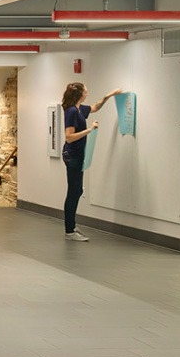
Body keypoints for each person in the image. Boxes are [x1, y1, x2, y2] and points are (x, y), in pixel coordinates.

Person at [60, 82, 119, 240]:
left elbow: (95, 107)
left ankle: (71, 226)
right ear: (79, 93)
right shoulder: (72, 111)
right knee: (73, 192)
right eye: (85, 91)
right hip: (72, 155)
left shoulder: (79, 109)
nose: (87, 93)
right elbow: (69, 137)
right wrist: (90, 130)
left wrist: (109, 96)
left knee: (78, 190)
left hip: (78, 155)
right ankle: (69, 231)